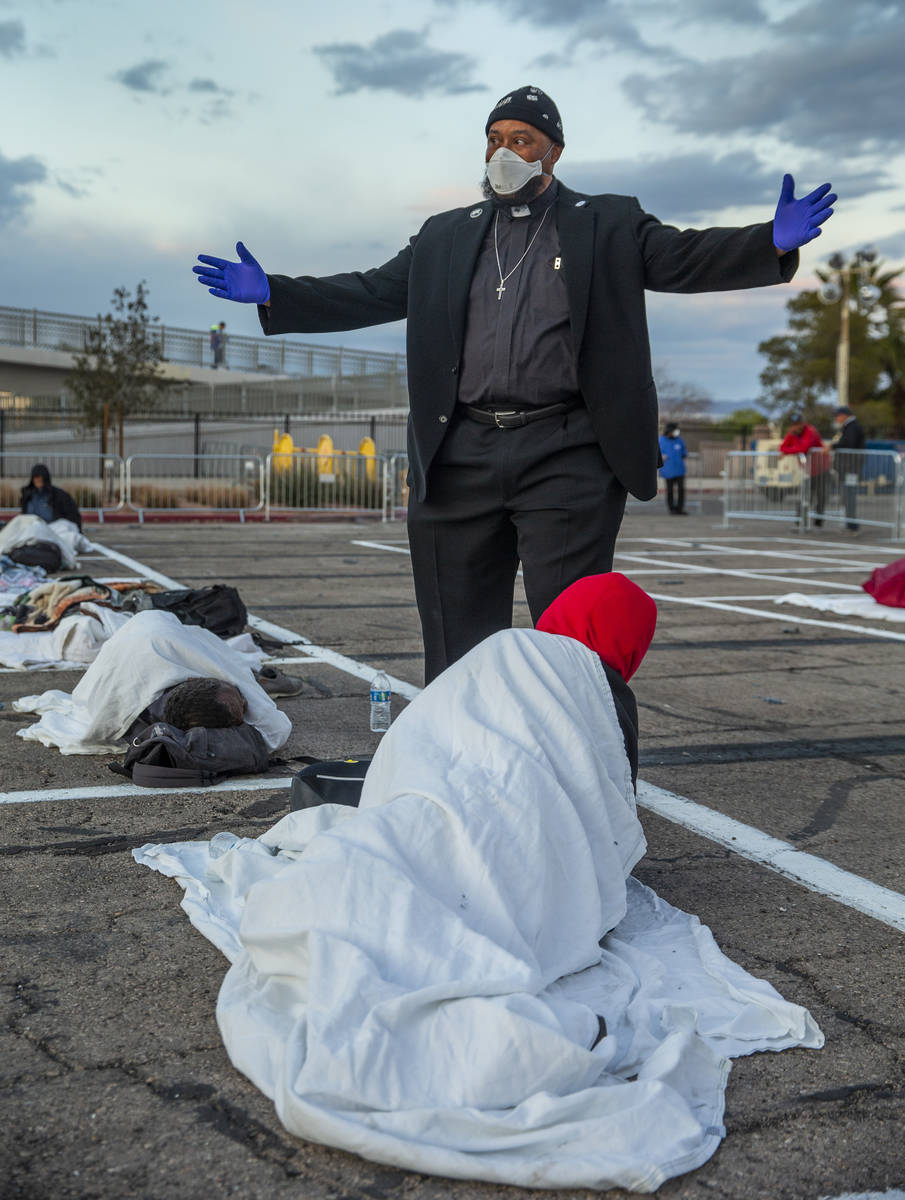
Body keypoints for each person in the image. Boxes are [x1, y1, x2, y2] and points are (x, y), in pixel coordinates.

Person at [193, 84, 836, 683]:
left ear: (553, 151)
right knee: (455, 633)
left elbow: (684, 257)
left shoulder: (606, 223)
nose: (504, 151)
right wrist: (275, 291)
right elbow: (372, 291)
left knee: (572, 634)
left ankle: (586, 770)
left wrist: (767, 242)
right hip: (461, 449)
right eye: (494, 137)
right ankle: (461, 764)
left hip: (567, 448)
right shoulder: (445, 235)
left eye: (521, 139)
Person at [13, 608, 290, 754]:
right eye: (241, 699)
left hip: (155, 626)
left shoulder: (209, 672)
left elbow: (275, 728)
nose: (244, 698)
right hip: (148, 634)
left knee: (222, 652)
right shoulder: (207, 674)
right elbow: (276, 731)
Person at [779, 413, 830, 526]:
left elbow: (804, 448)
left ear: (802, 423)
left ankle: (818, 520)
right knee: (805, 494)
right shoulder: (792, 433)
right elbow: (782, 447)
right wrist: (790, 449)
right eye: (794, 424)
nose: (796, 427)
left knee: (821, 495)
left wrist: (788, 451)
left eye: (798, 424)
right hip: (808, 470)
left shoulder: (810, 431)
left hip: (821, 468)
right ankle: (800, 520)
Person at [830, 404, 866, 531]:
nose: (836, 419)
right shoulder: (850, 426)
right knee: (847, 494)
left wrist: (833, 446)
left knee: (849, 494)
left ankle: (851, 524)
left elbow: (848, 443)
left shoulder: (852, 426)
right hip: (848, 468)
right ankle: (850, 522)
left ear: (844, 415)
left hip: (851, 468)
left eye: (838, 416)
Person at [19, 464, 82, 530]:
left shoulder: (58, 495)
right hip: (32, 529)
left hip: (53, 529)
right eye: (35, 478)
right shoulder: (28, 496)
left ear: (45, 478)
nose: (37, 481)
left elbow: (73, 515)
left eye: (40, 478)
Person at [657, 421, 688, 515]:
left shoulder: (679, 440)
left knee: (681, 490)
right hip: (668, 471)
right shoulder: (660, 440)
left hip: (679, 470)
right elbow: (656, 454)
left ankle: (680, 508)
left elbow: (684, 453)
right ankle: (672, 509)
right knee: (670, 490)